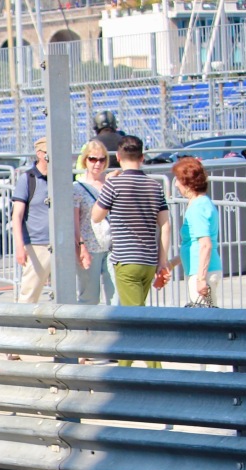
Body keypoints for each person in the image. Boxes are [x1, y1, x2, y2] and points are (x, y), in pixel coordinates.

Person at [92, 135, 170, 368]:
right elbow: (164, 223)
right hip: (148, 260)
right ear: (142, 157)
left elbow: (96, 215)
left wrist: (109, 182)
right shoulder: (154, 186)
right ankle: (124, 369)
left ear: (118, 157)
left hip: (126, 260)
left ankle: (155, 370)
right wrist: (162, 261)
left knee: (136, 319)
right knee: (132, 315)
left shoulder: (114, 185)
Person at [168, 157, 220, 308]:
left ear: (187, 183)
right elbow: (193, 244)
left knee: (204, 319)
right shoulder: (203, 203)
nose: (176, 184)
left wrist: (201, 279)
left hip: (202, 273)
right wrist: (172, 263)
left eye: (178, 179)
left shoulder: (197, 208)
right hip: (204, 270)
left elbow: (205, 245)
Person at [73, 140, 116, 306]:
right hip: (90, 246)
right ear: (85, 160)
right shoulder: (77, 187)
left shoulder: (111, 184)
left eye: (102, 159)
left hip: (112, 246)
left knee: (115, 298)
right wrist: (81, 246)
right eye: (92, 159)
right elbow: (75, 220)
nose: (97, 163)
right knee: (89, 297)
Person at [10, 136, 51, 310]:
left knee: (66, 294)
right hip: (37, 244)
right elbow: (17, 215)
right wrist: (20, 246)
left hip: (59, 242)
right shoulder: (28, 179)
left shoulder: (61, 177)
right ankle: (21, 327)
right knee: (30, 293)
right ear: (40, 153)